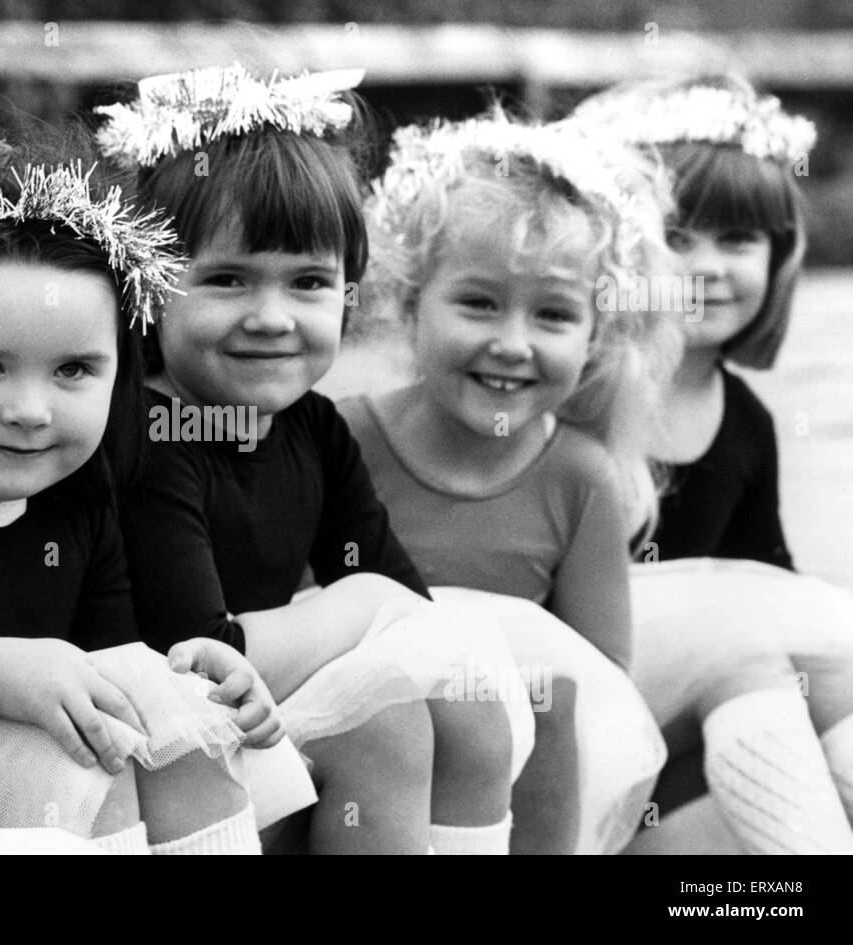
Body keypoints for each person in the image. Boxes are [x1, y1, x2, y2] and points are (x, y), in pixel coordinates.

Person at [103, 65, 535, 854]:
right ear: (152, 288)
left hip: (267, 713)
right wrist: (352, 606)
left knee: (451, 697)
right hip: (169, 753)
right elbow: (199, 652)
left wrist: (366, 600)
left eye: (308, 283)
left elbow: (409, 607)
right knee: (388, 721)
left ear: (347, 294)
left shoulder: (312, 427)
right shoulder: (150, 436)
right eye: (227, 280)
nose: (271, 318)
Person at [0, 138, 300, 855]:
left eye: (74, 370)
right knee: (79, 742)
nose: (31, 409)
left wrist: (197, 672)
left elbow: (114, 662)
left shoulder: (81, 504)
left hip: (53, 801)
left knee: (153, 708)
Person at [343, 113, 674, 853]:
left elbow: (597, 684)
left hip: (518, 782)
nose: (513, 343)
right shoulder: (344, 442)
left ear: (594, 336)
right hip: (357, 752)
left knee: (548, 691)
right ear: (407, 300)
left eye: (553, 314)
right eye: (479, 302)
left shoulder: (578, 478)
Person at [573, 75, 853, 853]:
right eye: (678, 236)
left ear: (780, 258)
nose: (706, 266)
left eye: (738, 241)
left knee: (826, 668)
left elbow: (770, 581)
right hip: (593, 714)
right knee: (749, 654)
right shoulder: (582, 392)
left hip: (699, 737)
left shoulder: (747, 421)